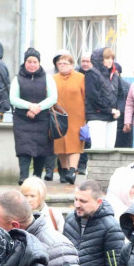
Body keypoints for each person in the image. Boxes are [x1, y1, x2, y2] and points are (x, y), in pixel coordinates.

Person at [9, 48, 58, 182]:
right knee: (23, 149)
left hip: (42, 119)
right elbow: (13, 99)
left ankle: (37, 178)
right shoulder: (17, 79)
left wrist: (38, 108)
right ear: (25, 62)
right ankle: (23, 177)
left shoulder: (47, 78)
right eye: (29, 62)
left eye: (34, 62)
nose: (32, 65)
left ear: (39, 63)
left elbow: (53, 97)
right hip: (22, 119)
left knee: (41, 149)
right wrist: (30, 106)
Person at [51, 51, 86, 184]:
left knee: (75, 143)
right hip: (58, 115)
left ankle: (72, 170)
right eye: (60, 63)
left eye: (65, 63)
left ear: (72, 64)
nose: (62, 65)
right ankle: (64, 170)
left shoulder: (80, 77)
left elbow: (86, 96)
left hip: (77, 116)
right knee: (60, 143)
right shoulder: (53, 79)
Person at [82, 48, 123, 150]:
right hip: (97, 117)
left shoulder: (114, 75)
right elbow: (94, 98)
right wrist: (109, 110)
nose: (110, 61)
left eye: (112, 58)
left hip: (112, 118)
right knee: (98, 149)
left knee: (110, 149)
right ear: (100, 59)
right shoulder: (92, 73)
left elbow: (120, 95)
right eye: (107, 58)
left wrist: (118, 110)